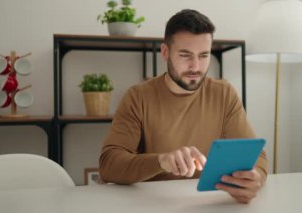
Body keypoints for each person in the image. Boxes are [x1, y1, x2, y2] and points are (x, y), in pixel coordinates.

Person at [99, 9, 268, 204]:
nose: (196, 66)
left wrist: (255, 177)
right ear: (165, 52)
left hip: (208, 204)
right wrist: (162, 161)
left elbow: (256, 155)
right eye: (186, 55)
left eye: (204, 56)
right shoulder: (138, 97)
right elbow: (109, 163)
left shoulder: (224, 93)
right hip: (151, 204)